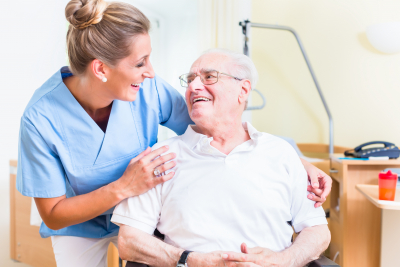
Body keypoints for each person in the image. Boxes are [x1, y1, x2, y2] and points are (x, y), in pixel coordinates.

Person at [16, 0, 330, 266]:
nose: (151, 72)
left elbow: (216, 126)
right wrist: (124, 187)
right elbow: (55, 214)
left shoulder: (147, 89)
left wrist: (296, 162)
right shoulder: (42, 118)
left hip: (142, 214)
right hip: (80, 223)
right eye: (140, 62)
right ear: (101, 69)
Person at [111, 49, 331, 267]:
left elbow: (317, 230)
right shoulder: (160, 157)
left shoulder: (280, 153)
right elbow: (128, 241)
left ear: (243, 90)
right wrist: (190, 260)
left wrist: (284, 261)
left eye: (209, 77)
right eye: (190, 80)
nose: (193, 87)